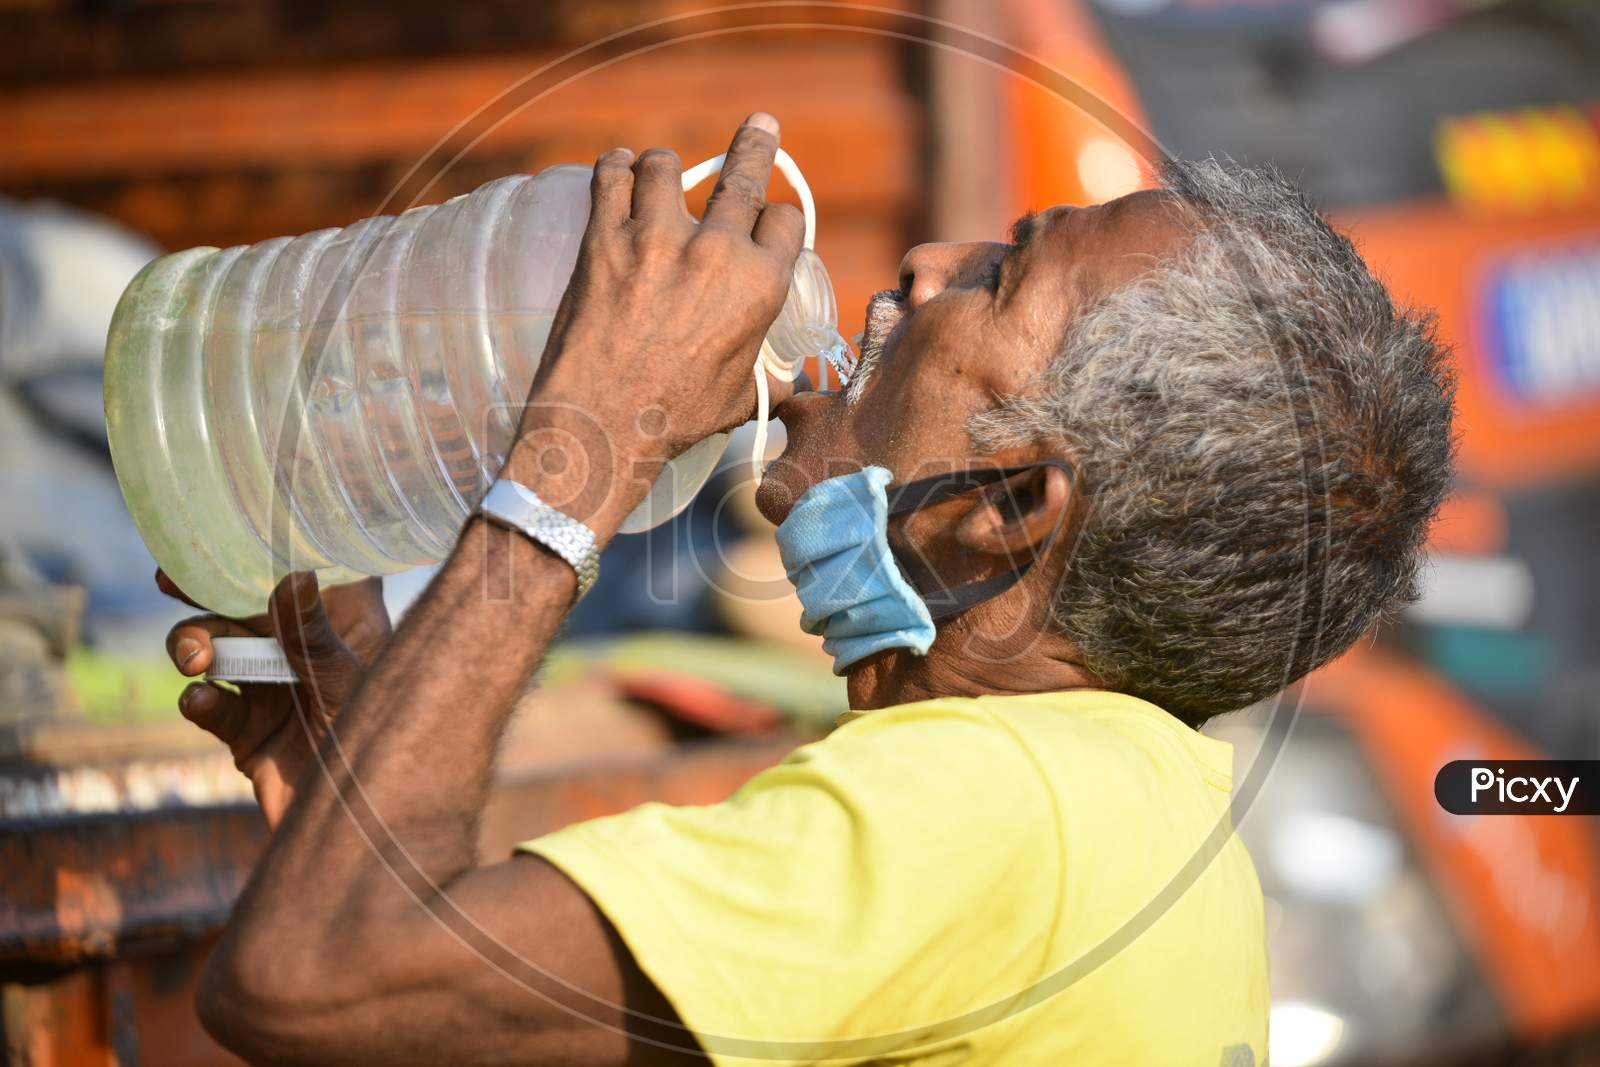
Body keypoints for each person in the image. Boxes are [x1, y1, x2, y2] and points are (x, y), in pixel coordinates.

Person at [161, 112, 1455, 1066]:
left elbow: (306, 982)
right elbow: (409, 1010)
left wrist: (583, 439)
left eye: (998, 276)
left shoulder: (995, 810)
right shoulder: (1129, 814)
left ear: (1010, 507)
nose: (919, 267)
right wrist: (345, 780)